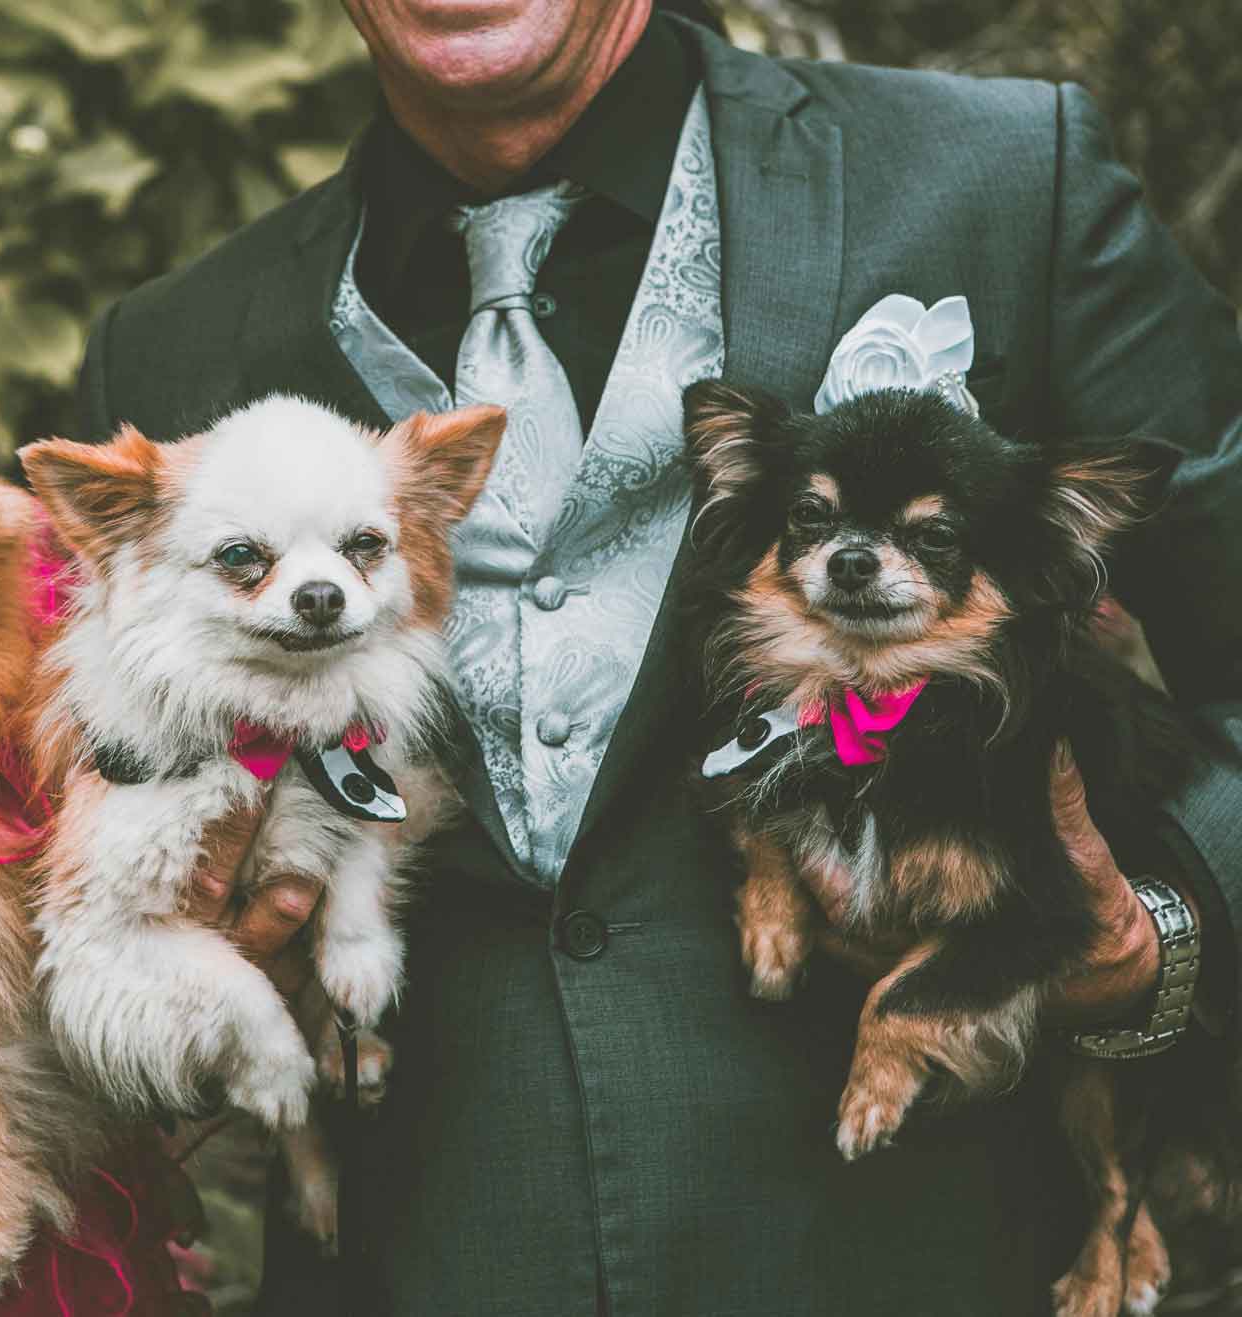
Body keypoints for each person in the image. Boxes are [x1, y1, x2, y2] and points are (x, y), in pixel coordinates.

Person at [73, 1, 1242, 1312]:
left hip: (912, 1263)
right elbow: (80, 887)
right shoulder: (168, 353)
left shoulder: (1003, 183)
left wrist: (1160, 936)